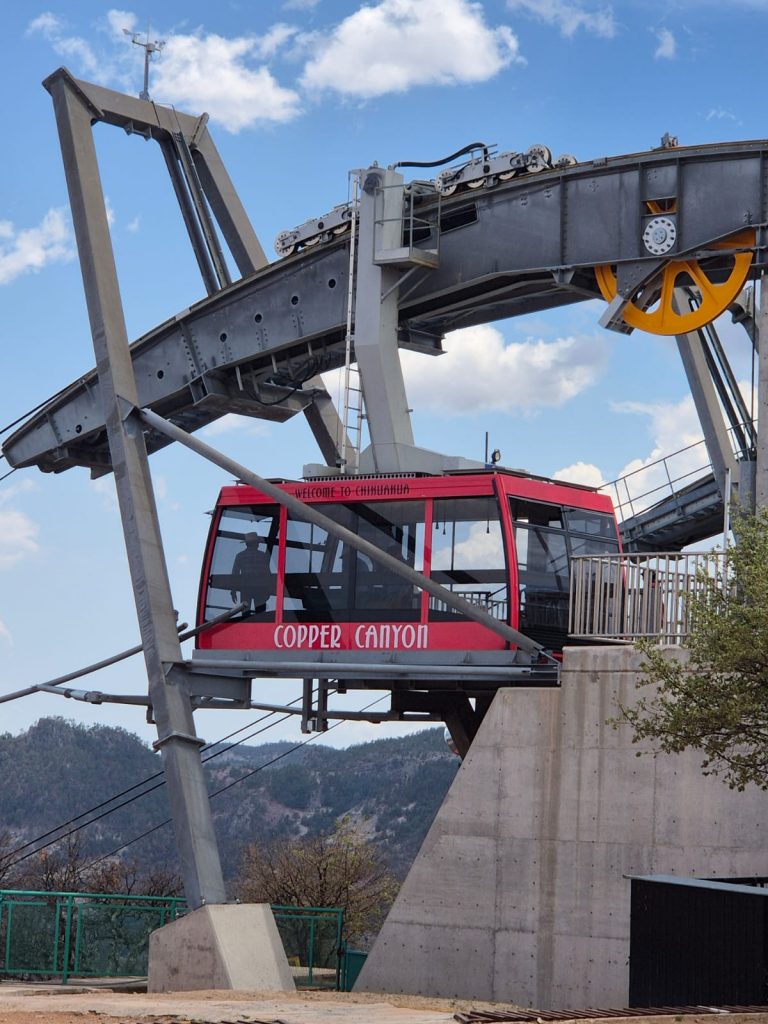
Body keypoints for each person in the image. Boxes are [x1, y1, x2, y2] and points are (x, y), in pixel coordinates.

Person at [230, 532, 273, 614]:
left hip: (245, 587)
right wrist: (268, 589)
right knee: (261, 614)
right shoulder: (262, 556)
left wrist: (233, 590)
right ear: (256, 544)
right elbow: (267, 573)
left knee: (245, 614)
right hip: (260, 587)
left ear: (247, 544)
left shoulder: (240, 556)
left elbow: (235, 574)